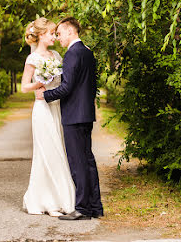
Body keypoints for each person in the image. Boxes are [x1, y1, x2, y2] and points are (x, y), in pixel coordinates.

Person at [35, 17, 104, 220]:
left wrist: (45, 95)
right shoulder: (87, 52)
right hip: (86, 114)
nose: (58, 37)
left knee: (78, 162)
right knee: (88, 160)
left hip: (74, 115)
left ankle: (82, 209)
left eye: (59, 33)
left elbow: (67, 87)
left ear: (69, 32)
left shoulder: (73, 54)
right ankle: (95, 207)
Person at [21, 17, 75, 217]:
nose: (55, 36)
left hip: (56, 108)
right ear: (41, 35)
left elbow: (63, 82)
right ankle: (48, 202)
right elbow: (24, 85)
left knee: (58, 150)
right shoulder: (33, 59)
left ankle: (60, 199)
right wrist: (38, 85)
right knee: (46, 152)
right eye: (52, 33)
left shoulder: (56, 56)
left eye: (55, 33)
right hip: (42, 108)